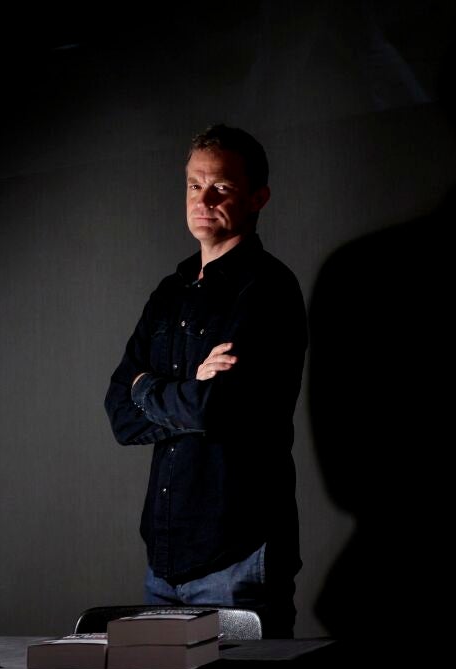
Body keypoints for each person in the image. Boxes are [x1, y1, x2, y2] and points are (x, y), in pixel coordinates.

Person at [104, 124, 307, 638]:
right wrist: (185, 386)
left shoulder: (268, 289)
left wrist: (149, 387)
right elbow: (119, 413)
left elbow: (217, 407)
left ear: (257, 197)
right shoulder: (168, 294)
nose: (203, 199)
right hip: (164, 563)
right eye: (194, 185)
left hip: (237, 559)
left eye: (221, 187)